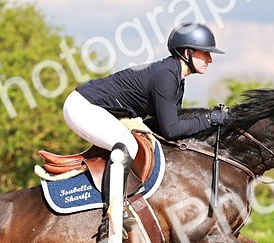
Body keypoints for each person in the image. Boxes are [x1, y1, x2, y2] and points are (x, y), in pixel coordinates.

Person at [63, 22, 229, 161]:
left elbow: (173, 122)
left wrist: (208, 118)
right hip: (83, 108)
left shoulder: (176, 77)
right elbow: (171, 130)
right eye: (206, 53)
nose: (210, 59)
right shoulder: (166, 76)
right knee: (129, 147)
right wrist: (210, 119)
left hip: (98, 109)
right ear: (187, 52)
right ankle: (115, 201)